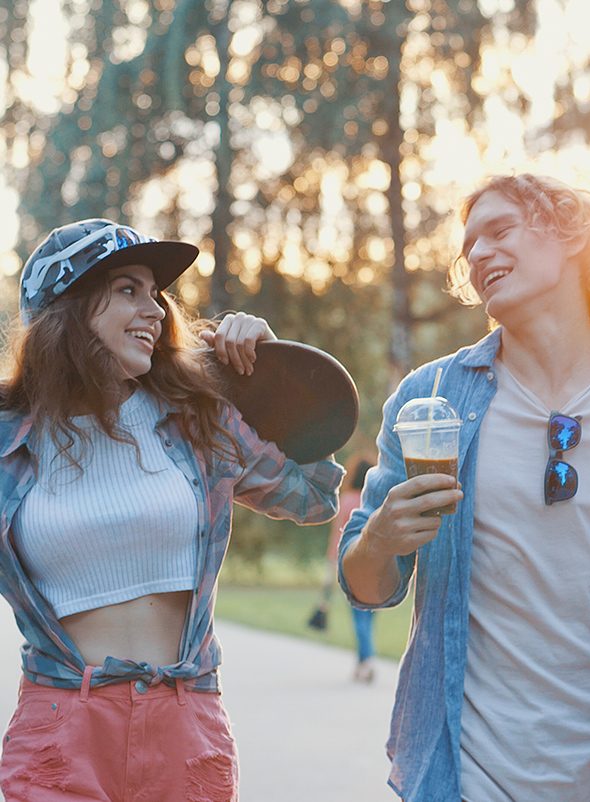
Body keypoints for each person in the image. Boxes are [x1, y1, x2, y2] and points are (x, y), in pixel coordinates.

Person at [339, 173, 590, 801]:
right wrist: (381, 539)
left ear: (573, 234)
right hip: (471, 771)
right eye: (467, 246)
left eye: (499, 230)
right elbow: (367, 587)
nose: (475, 255)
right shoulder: (429, 401)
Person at [0, 219, 344, 801]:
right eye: (129, 289)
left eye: (156, 294)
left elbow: (312, 497)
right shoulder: (10, 443)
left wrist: (277, 374)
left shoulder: (197, 421)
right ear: (68, 311)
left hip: (184, 726)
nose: (156, 309)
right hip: (62, 730)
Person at [308, 457, 378, 682]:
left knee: (358, 615)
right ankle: (362, 663)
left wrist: (331, 566)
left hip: (350, 562)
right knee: (369, 616)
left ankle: (367, 661)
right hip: (375, 564)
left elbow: (337, 537)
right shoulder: (375, 500)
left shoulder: (346, 500)